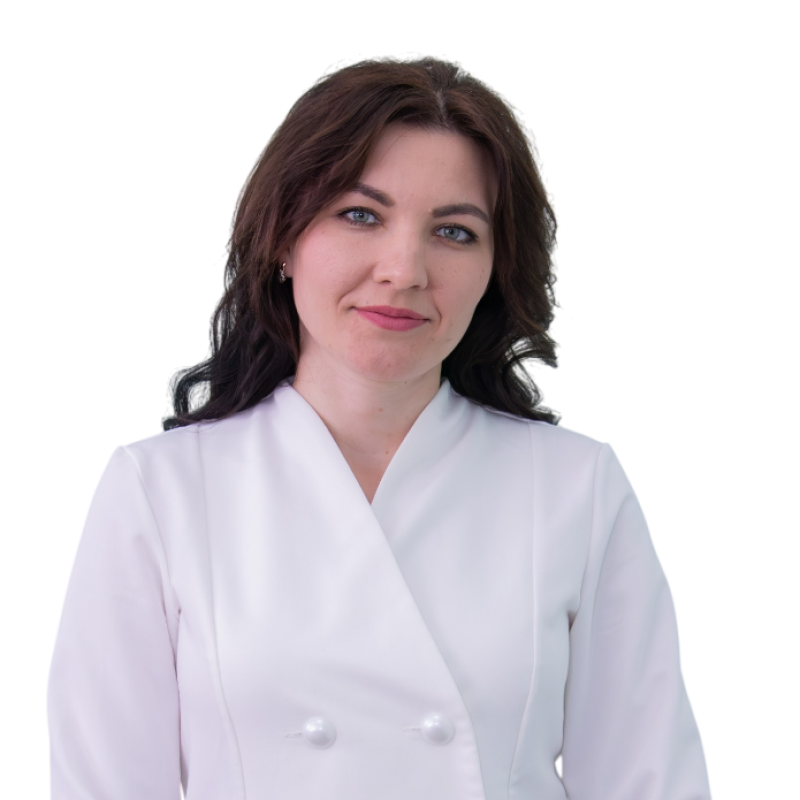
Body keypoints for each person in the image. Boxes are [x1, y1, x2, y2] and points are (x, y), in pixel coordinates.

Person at [47, 57, 712, 800]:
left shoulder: (573, 489)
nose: (404, 270)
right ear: (282, 239)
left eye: (454, 231)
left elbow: (649, 782)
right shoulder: (162, 490)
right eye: (360, 215)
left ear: (496, 269)